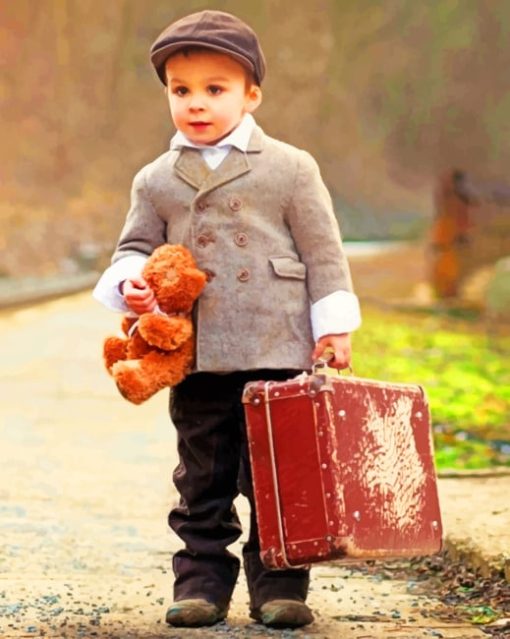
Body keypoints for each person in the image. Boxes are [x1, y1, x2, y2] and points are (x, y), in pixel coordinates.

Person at [93, 9, 361, 629]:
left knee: (277, 475)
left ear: (251, 94)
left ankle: (281, 585)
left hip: (279, 344)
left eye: (216, 89)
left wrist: (334, 326)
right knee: (202, 473)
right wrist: (133, 284)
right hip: (201, 354)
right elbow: (132, 247)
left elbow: (324, 252)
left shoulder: (291, 167)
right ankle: (201, 582)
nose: (196, 104)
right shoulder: (156, 179)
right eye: (181, 91)